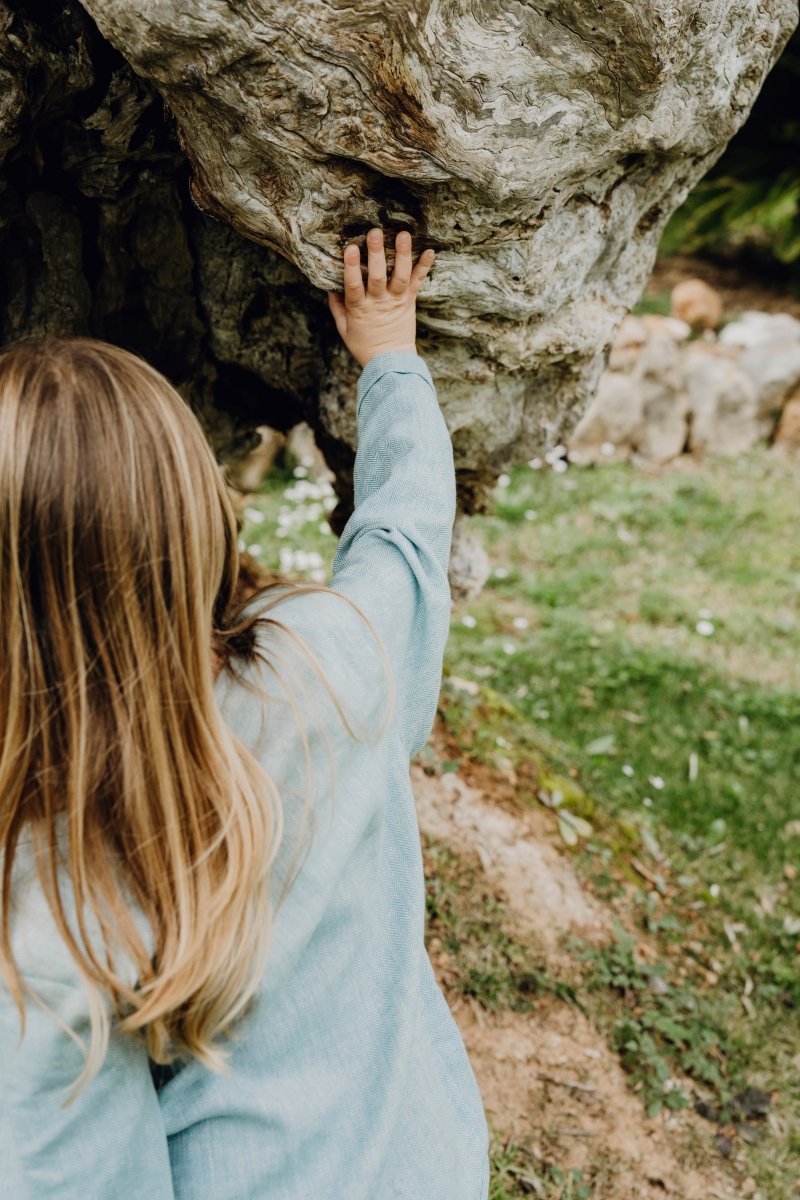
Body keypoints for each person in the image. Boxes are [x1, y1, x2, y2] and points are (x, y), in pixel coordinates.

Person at [0, 228, 490, 1198]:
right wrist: (390, 358)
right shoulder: (324, 662)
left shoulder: (44, 902)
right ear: (198, 510)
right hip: (424, 1168)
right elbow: (402, 538)